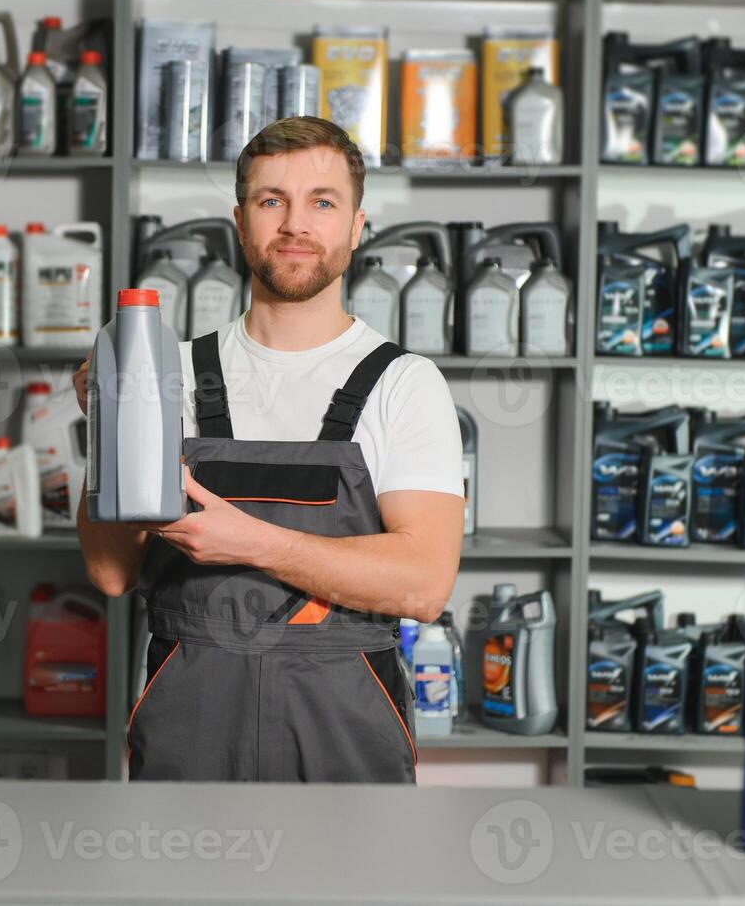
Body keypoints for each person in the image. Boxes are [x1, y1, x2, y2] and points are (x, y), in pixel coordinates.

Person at [76, 116, 464, 783]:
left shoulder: (403, 384)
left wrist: (251, 541)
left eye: (322, 201)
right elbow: (112, 574)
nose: (295, 224)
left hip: (344, 728)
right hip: (189, 720)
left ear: (355, 225)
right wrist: (110, 425)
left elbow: (424, 585)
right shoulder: (162, 373)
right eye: (270, 200)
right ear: (240, 220)